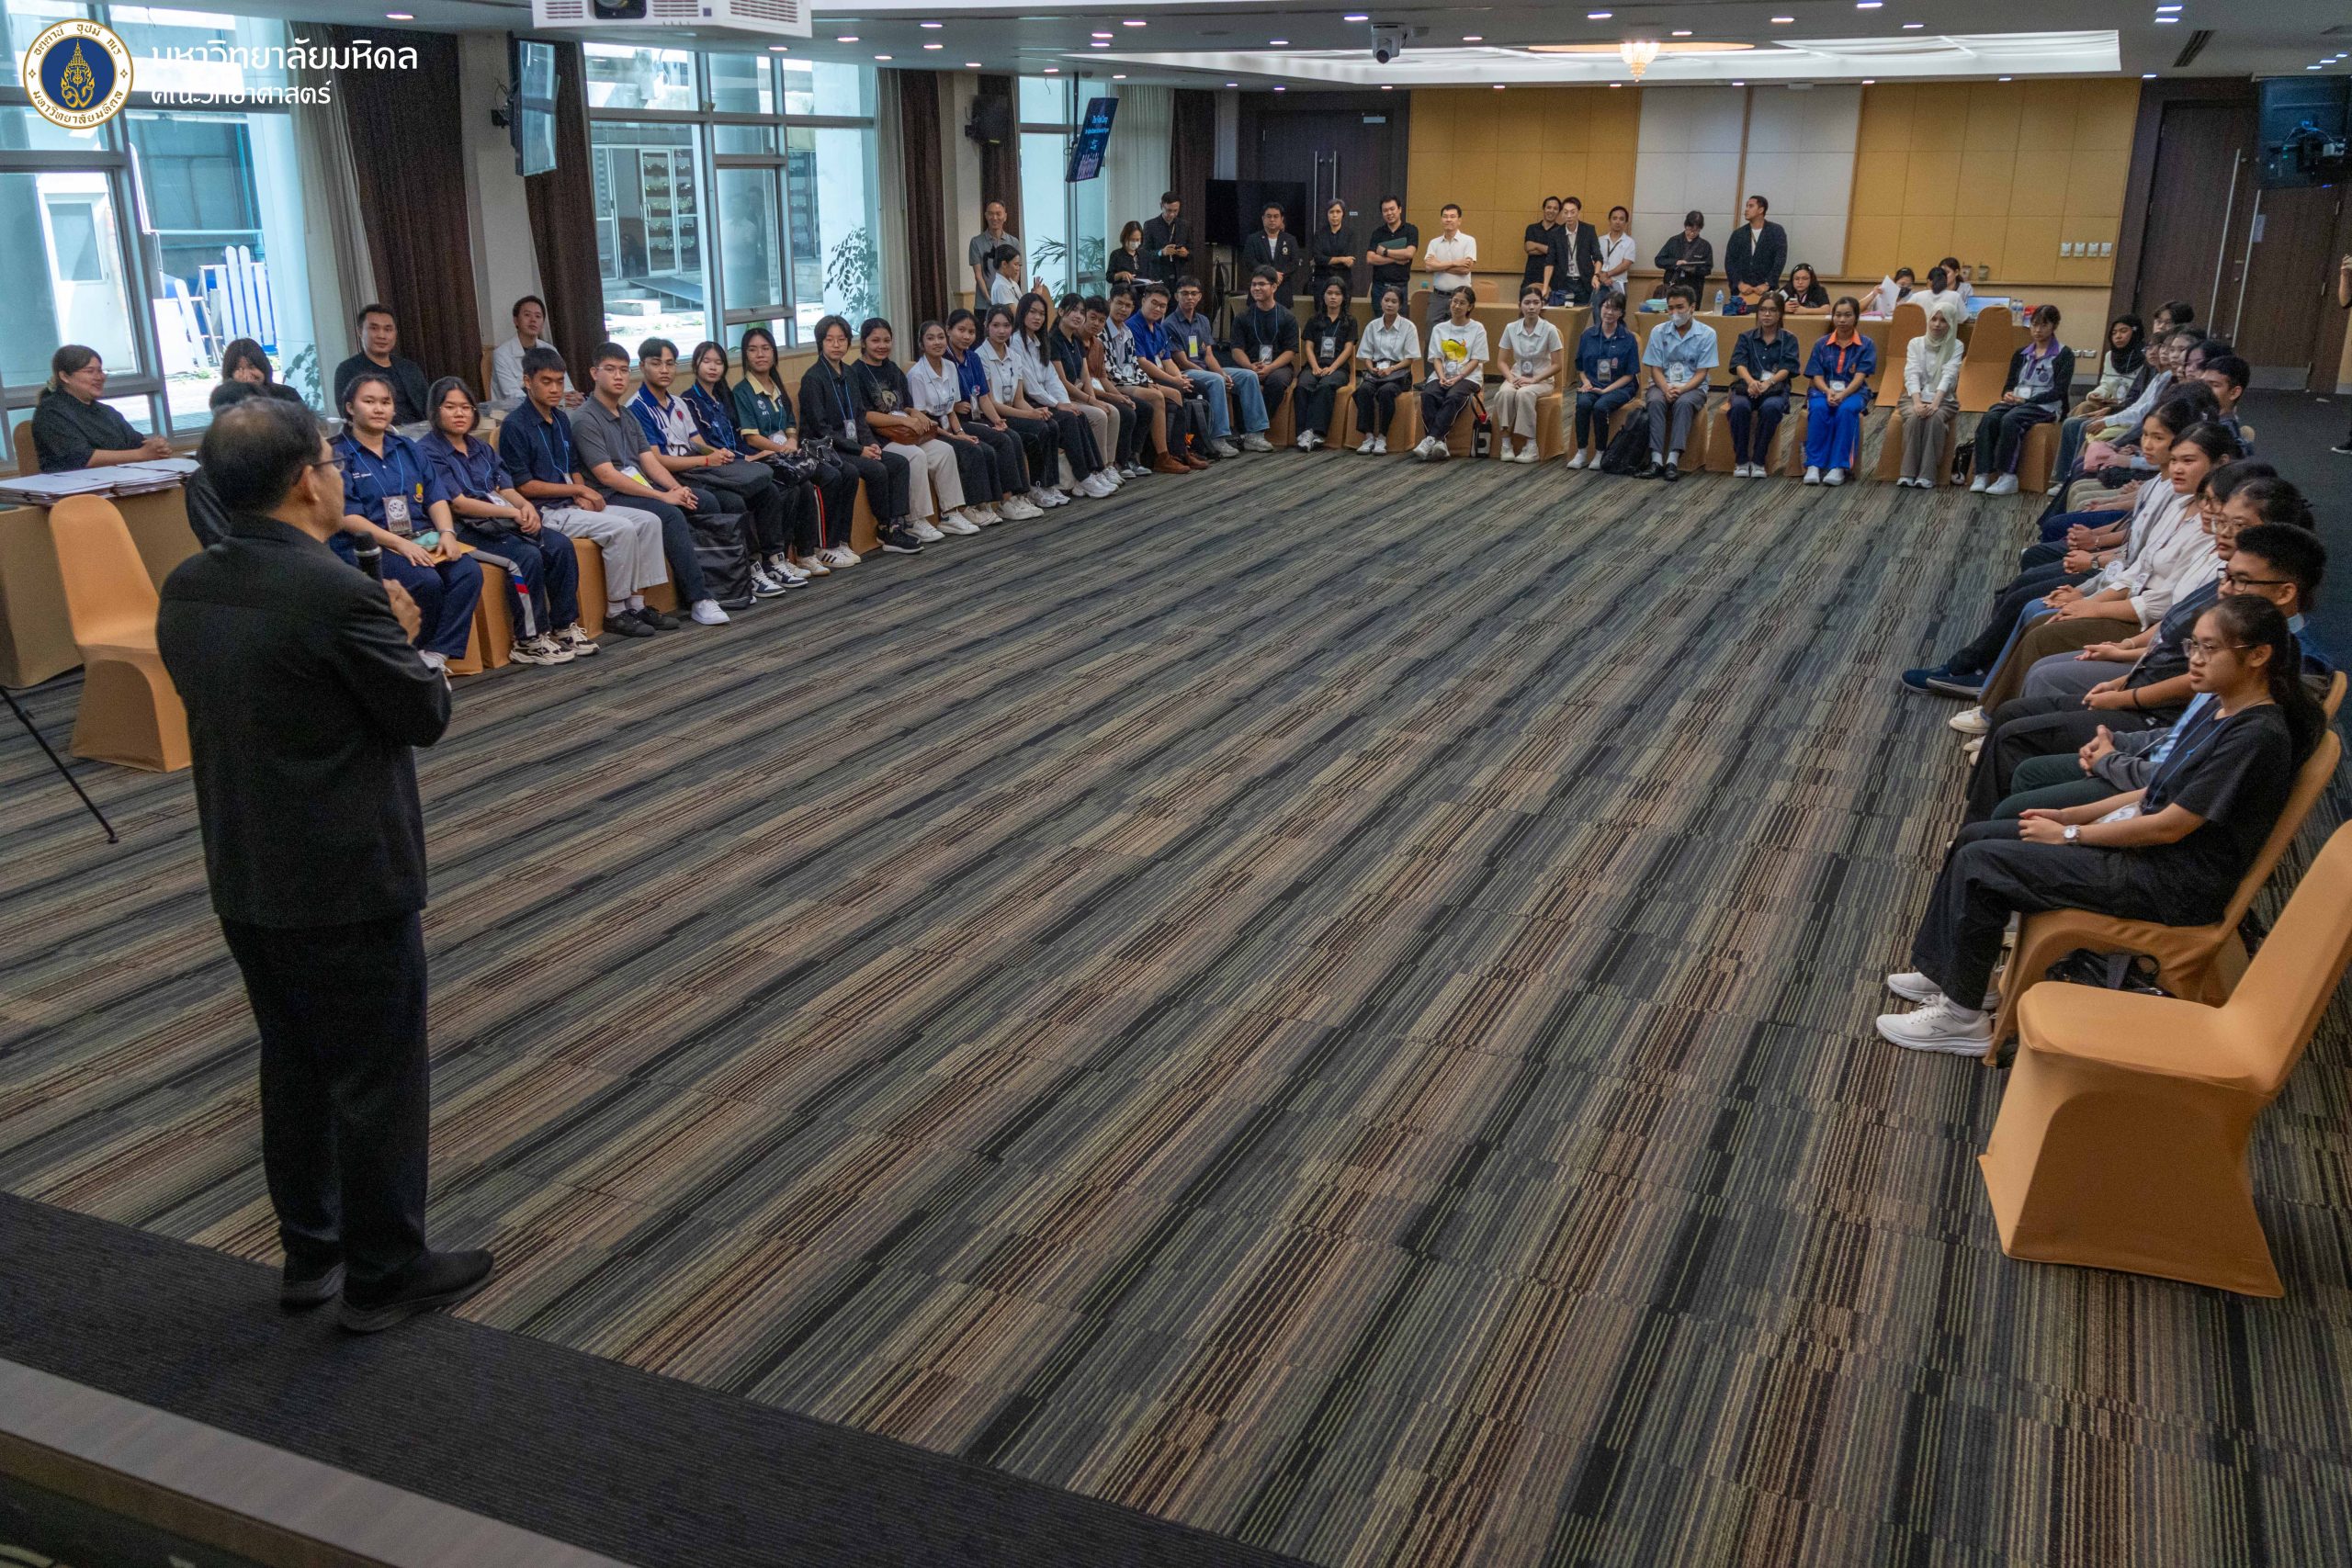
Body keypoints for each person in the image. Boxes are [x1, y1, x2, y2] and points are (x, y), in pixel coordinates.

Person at [156, 396, 493, 1333]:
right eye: (333, 462)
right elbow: (423, 714)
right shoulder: (338, 592)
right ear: (309, 480)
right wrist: (405, 635)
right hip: (348, 875)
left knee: (294, 1061)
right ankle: (385, 1273)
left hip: (245, 866)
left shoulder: (186, 584)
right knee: (376, 1076)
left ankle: (313, 1253)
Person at [1875, 594, 2319, 1055]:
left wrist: (2071, 836)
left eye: (2209, 648)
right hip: (2148, 854)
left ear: (2258, 656)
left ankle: (1961, 1020)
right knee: (1976, 836)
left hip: (2169, 880)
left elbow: (2169, 826)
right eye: (2194, 645)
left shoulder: (2256, 736)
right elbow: (2156, 791)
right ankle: (1957, 975)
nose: (2194, 659)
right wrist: (2068, 816)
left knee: (1982, 864)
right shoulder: (2221, 706)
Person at [496, 344, 675, 635]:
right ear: (527, 381)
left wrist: (581, 492)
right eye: (546, 381)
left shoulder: (560, 419)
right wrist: (580, 492)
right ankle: (616, 612)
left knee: (649, 521)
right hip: (545, 510)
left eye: (559, 381)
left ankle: (637, 604)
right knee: (621, 529)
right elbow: (523, 485)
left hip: (571, 502)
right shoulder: (515, 425)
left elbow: (574, 467)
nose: (555, 389)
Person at [572, 340, 747, 620]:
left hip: (639, 485)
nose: (618, 376)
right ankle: (699, 598)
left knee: (702, 500)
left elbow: (649, 461)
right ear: (594, 373)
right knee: (669, 514)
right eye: (610, 369)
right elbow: (607, 475)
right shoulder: (585, 419)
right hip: (609, 494)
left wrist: (677, 489)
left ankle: (723, 584)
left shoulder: (626, 414)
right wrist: (663, 496)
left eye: (623, 370)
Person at [422, 377, 589, 665]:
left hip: (501, 520)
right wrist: (513, 513)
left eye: (466, 407)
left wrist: (526, 508)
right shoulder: (428, 451)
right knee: (524, 558)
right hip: (464, 529)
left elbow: (504, 488)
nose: (460, 413)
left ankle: (563, 626)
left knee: (559, 545)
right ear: (435, 410)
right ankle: (529, 640)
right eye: (450, 407)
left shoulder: (480, 447)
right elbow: (458, 503)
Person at [331, 373, 483, 675]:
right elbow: (347, 517)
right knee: (426, 580)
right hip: (369, 545)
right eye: (369, 401)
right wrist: (400, 544)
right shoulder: (337, 454)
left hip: (419, 537)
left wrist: (447, 533)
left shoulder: (408, 448)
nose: (379, 409)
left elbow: (436, 497)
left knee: (468, 571)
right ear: (349, 407)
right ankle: (409, 658)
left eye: (385, 402)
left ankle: (435, 654)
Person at [628, 337, 793, 597]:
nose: (664, 370)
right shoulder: (637, 407)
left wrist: (720, 455)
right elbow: (657, 459)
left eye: (670, 364)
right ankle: (748, 569)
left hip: (698, 470)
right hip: (670, 477)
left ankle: (774, 561)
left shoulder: (677, 403)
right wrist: (706, 460)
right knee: (732, 501)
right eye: (657, 363)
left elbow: (697, 443)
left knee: (767, 490)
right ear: (642, 366)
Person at [685, 340, 819, 582]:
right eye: (707, 362)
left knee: (790, 486)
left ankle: (777, 560)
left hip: (740, 463)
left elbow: (738, 437)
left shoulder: (723, 397)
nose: (713, 367)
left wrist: (752, 456)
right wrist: (745, 457)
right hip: (716, 469)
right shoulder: (688, 401)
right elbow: (699, 445)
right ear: (695, 365)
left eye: (718, 363)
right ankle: (754, 566)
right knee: (760, 493)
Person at [727, 324, 854, 573]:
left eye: (765, 348)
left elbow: (790, 424)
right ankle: (799, 554)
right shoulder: (742, 391)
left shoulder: (776, 386)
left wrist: (792, 442)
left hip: (789, 454)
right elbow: (751, 438)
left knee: (835, 473)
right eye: (753, 350)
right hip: (765, 458)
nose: (760, 354)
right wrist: (780, 448)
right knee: (801, 487)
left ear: (774, 353)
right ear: (745, 356)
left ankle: (816, 551)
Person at [851, 316, 984, 537]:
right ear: (863, 343)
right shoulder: (856, 372)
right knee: (915, 456)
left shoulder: (892, 368)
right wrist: (905, 420)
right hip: (881, 438)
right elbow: (865, 416)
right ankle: (915, 520)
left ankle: (950, 514)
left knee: (944, 450)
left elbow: (906, 405)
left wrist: (915, 414)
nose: (882, 346)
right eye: (875, 341)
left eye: (886, 340)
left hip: (906, 433)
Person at [802, 314, 923, 554]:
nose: (836, 345)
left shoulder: (849, 373)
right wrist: (859, 450)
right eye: (830, 340)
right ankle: (885, 528)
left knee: (898, 463)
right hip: (828, 448)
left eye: (841, 339)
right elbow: (821, 428)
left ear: (849, 343)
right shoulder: (813, 378)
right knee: (876, 469)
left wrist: (870, 443)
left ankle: (896, 525)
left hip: (855, 444)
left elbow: (859, 416)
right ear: (820, 343)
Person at [1012, 292, 1123, 489]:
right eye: (1032, 312)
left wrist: (1066, 403)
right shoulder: (1017, 342)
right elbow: (1031, 386)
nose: (1037, 317)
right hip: (1031, 402)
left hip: (1049, 398)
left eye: (1041, 314)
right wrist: (1059, 404)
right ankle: (1084, 477)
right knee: (1071, 418)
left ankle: (1095, 470)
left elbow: (1052, 379)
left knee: (1078, 414)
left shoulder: (1039, 341)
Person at [975, 302, 1078, 509]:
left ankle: (1049, 485)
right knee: (1038, 430)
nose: (1001, 331)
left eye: (1006, 326)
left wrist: (1036, 412)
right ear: (986, 326)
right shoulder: (980, 355)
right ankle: (1035, 486)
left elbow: (1019, 399)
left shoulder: (1014, 356)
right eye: (996, 325)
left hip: (1012, 410)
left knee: (1050, 424)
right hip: (992, 415)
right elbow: (991, 402)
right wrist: (1029, 416)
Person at [946, 309, 1053, 506]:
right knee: (1004, 440)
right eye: (961, 330)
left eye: (971, 332)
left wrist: (997, 420)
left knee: (1010, 435)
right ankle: (1006, 500)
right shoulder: (946, 359)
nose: (966, 336)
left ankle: (1021, 495)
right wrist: (953, 406)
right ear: (949, 330)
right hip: (957, 421)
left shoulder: (972, 358)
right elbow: (942, 399)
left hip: (978, 416)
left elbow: (983, 397)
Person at [1969, 303, 2073, 496]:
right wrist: (2008, 394)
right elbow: (2009, 383)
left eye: (2043, 325)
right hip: (2017, 402)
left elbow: (2059, 391)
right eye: (2034, 324)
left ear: (2054, 326)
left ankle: (2008, 476)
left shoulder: (2064, 354)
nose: (2038, 330)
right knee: (1990, 417)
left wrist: (2027, 401)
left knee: (2011, 419)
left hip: (2046, 405)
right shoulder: (2021, 353)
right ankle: (1982, 473)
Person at [30, 345, 173, 470]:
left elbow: (137, 443)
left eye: (100, 371)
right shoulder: (50, 412)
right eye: (90, 371)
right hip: (77, 487)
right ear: (64, 376)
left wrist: (157, 447)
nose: (99, 377)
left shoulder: (107, 412)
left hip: (122, 481)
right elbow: (82, 458)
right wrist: (140, 455)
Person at [1046, 293, 1133, 481]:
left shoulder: (1076, 340)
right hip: (1062, 398)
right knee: (1099, 415)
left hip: (1078, 395)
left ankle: (1109, 465)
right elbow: (1062, 382)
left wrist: (1093, 399)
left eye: (1081, 312)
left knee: (1113, 412)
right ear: (1060, 312)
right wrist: (1092, 401)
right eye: (1074, 311)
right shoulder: (1053, 340)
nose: (1078, 316)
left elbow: (1085, 376)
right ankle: (1097, 469)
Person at [1167, 276, 1256, 456]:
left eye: (1194, 293)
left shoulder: (1203, 320)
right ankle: (1218, 438)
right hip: (1185, 372)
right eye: (1185, 293)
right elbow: (1182, 361)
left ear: (1200, 297)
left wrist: (1223, 374)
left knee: (1248, 376)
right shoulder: (1169, 323)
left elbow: (1209, 355)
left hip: (1206, 370)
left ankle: (1255, 433)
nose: (1189, 297)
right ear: (1176, 296)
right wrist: (1217, 377)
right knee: (1216, 380)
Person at [1128, 285, 1215, 469]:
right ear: (1143, 301)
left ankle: (1192, 447)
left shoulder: (1159, 329)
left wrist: (1179, 378)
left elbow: (1167, 360)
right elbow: (1142, 362)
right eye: (1154, 303)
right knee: (1175, 390)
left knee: (1197, 387)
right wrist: (1174, 381)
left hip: (1161, 375)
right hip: (1141, 377)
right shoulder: (1133, 326)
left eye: (1162, 306)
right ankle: (1173, 453)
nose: (1158, 308)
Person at [1097, 290, 1183, 472]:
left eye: (1128, 306)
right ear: (1110, 302)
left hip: (1128, 380)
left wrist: (1145, 381)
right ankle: (1161, 456)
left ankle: (1176, 451)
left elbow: (1134, 364)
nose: (1123, 309)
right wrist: (1140, 383)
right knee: (1155, 397)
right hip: (1113, 384)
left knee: (1173, 393)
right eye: (1119, 303)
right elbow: (1109, 370)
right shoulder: (1102, 331)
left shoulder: (1126, 331)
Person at [1639, 284, 1716, 480]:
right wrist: (1666, 388)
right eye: (1671, 308)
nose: (1675, 312)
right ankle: (1656, 459)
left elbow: (1702, 373)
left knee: (1683, 403)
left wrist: (1681, 389)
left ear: (1692, 307)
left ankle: (1673, 460)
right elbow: (1655, 368)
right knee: (1655, 401)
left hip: (1693, 386)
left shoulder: (1707, 333)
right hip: (1662, 383)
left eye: (1680, 307)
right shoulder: (1658, 331)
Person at [1800, 296, 1877, 486]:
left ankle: (1839, 467)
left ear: (1856, 317)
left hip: (1854, 392)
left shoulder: (1866, 344)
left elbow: (1860, 377)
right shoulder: (1821, 343)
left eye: (1848, 315)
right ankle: (1814, 464)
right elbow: (1816, 375)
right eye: (1838, 315)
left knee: (1846, 410)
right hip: (1823, 391)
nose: (1842, 320)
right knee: (1819, 409)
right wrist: (1828, 391)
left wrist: (1843, 394)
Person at [1724, 292, 1799, 478]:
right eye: (1763, 310)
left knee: (1771, 408)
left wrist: (1768, 383)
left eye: (1772, 310)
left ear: (1780, 314)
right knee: (1739, 406)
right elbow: (1738, 364)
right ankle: (1741, 460)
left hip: (1775, 388)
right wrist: (1751, 382)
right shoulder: (1746, 337)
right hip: (1747, 386)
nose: (1766, 314)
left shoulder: (1789, 339)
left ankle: (1758, 460)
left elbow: (1787, 368)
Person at [1894, 299, 1966, 488]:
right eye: (1934, 319)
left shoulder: (1956, 345)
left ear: (1951, 323)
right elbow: (1912, 373)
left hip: (1944, 399)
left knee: (1935, 419)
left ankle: (1927, 475)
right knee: (1914, 418)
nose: (1937, 324)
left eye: (1943, 320)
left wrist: (1935, 403)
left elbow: (1949, 375)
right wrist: (1918, 403)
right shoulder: (1915, 343)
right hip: (1913, 397)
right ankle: (1907, 473)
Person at [1412, 288, 1487, 462]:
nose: (1457, 306)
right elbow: (1437, 358)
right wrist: (1442, 376)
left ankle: (1430, 439)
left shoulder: (1477, 328)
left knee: (1453, 396)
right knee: (1428, 394)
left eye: (1462, 303)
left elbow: (1476, 360)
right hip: (1443, 374)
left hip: (1468, 376)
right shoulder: (1440, 328)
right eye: (1454, 301)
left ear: (1470, 307)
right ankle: (1440, 442)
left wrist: (1458, 377)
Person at [1491, 284, 1563, 464]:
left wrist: (1534, 380)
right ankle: (1506, 443)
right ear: (1520, 305)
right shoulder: (1511, 328)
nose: (1531, 307)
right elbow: (1501, 362)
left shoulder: (1550, 329)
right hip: (1516, 376)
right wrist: (1511, 379)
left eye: (1536, 303)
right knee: (1504, 393)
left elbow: (1557, 365)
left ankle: (1531, 445)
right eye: (1527, 303)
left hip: (1542, 380)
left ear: (1542, 305)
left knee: (1524, 393)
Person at [1568, 289, 1638, 470]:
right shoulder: (1588, 335)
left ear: (1621, 313)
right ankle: (1581, 451)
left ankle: (1600, 452)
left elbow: (1629, 375)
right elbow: (1580, 367)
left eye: (1615, 309)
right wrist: (1585, 382)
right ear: (1600, 308)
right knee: (1583, 404)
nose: (1609, 312)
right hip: (1592, 384)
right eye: (1606, 307)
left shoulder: (1628, 338)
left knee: (1601, 406)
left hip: (1620, 387)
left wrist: (1606, 390)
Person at [1232, 265, 1301, 440]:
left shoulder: (1287, 317)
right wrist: (1250, 367)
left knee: (1276, 382)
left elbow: (1291, 351)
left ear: (1274, 287)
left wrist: (1270, 368)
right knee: (1242, 378)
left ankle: (1258, 430)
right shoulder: (1242, 317)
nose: (1256, 288)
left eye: (1262, 284)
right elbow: (1236, 349)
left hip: (1279, 366)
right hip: (1250, 364)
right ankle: (1242, 431)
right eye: (1253, 284)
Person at [332, 304, 431, 423]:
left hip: (420, 431)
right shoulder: (347, 370)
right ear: (360, 332)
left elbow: (430, 407)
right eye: (374, 328)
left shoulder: (410, 368)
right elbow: (348, 416)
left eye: (388, 329)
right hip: (377, 432)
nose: (382, 336)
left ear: (395, 333)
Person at [1351, 286, 1419, 456]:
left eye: (1394, 301)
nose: (1389, 304)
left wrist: (1391, 369)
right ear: (1380, 302)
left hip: (1398, 373)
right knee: (1364, 390)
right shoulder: (1372, 326)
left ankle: (1382, 437)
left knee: (1386, 392)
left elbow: (1410, 359)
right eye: (1386, 300)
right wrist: (1371, 368)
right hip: (1375, 372)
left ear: (1400, 305)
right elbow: (1366, 355)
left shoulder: (1408, 327)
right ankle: (1368, 437)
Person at [1295, 278, 1358, 451]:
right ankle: (1303, 432)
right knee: (1303, 385)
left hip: (1338, 368)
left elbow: (1348, 349)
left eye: (1337, 294)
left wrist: (1333, 367)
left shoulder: (1350, 321)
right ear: (1323, 296)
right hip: (1314, 365)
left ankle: (1316, 432)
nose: (1333, 297)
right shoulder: (1314, 320)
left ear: (1344, 297)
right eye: (1329, 293)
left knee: (1325, 385)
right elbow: (1308, 346)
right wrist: (1315, 366)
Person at [490, 296, 580, 404]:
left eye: (538, 316)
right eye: (527, 315)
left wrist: (573, 397)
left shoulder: (550, 349)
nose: (533, 320)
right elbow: (514, 396)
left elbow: (566, 387)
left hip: (552, 407)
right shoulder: (502, 354)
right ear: (516, 320)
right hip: (515, 410)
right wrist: (556, 399)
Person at [1723, 195, 1787, 314]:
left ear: (1761, 210)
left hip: (1766, 289)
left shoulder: (1776, 231)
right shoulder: (1738, 234)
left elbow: (1780, 259)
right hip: (1742, 290)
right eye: (1746, 206)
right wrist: (1739, 283)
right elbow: (1729, 262)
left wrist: (1768, 283)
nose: (1746, 209)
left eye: (1751, 206)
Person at [2074, 313, 2145, 419]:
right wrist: (2097, 394)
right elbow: (2106, 385)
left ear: (2135, 332)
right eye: (2114, 333)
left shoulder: (2146, 357)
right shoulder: (2110, 355)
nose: (2118, 336)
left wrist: (2122, 403)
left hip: (2130, 407)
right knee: (2085, 407)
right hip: (2109, 404)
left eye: (2123, 331)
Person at [1421, 204, 1477, 336]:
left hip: (1461, 297)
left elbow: (1466, 269)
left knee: (1457, 335)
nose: (1448, 219)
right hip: (1438, 296)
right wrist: (1454, 263)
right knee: (1432, 332)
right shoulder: (1434, 243)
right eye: (1445, 216)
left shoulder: (1469, 241)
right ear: (1441, 220)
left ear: (1459, 220)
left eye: (1452, 216)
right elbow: (1428, 267)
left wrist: (1438, 266)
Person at [214, 338, 307, 411]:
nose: (247, 375)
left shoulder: (286, 394)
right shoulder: (225, 401)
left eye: (252, 367)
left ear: (263, 366)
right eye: (239, 369)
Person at [1241, 202, 1305, 304]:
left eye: (1276, 216)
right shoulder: (1253, 239)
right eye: (1269, 216)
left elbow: (1294, 263)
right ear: (1263, 218)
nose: (1272, 219)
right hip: (1259, 290)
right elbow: (1250, 261)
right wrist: (1272, 274)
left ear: (1282, 219)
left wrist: (1279, 276)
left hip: (1282, 289)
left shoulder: (1290, 240)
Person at [1364, 196, 1419, 310]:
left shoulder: (1411, 230)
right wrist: (1396, 258)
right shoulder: (1377, 233)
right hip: (1379, 287)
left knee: (1400, 320)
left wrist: (1385, 252)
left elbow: (1409, 253)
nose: (1389, 213)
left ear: (1400, 209)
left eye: (1392, 209)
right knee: (1379, 320)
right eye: (1385, 210)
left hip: (1400, 286)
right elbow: (1370, 259)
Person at [1549, 197, 1602, 308]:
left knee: (1581, 313)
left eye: (1572, 212)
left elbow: (1598, 257)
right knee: (1564, 314)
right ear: (1562, 214)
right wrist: (1545, 287)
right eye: (1566, 212)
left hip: (1583, 282)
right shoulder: (1556, 233)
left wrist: (1596, 275)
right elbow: (1550, 261)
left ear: (1578, 212)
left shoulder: (1588, 230)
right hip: (1563, 283)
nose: (1569, 216)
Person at [968, 198, 1020, 304]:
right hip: (984, 303)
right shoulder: (976, 242)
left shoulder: (1014, 242)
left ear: (1005, 217)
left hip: (1008, 302)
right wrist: (990, 299)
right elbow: (978, 275)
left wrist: (1008, 295)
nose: (994, 218)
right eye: (991, 214)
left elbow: (1016, 272)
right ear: (986, 216)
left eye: (998, 214)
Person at [1654, 210, 1712, 301]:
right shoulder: (1673, 241)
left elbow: (1708, 269)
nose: (1692, 233)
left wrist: (1693, 269)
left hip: (1693, 288)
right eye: (1690, 230)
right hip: (1672, 285)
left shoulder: (1705, 245)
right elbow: (1659, 260)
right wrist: (1676, 262)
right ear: (1685, 226)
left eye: (1696, 231)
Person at [1521, 196, 1567, 301]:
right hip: (1530, 277)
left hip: (1553, 280)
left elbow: (1558, 253)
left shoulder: (1562, 231)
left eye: (1555, 208)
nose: (1551, 211)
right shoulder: (1532, 228)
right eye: (1549, 207)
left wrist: (1536, 245)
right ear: (1544, 209)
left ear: (1559, 212)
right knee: (1526, 305)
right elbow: (1528, 248)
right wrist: (1550, 250)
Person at [1310, 198, 1357, 299]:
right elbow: (1318, 258)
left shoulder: (1350, 234)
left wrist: (1327, 261)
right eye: (1331, 212)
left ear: (1343, 214)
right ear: (1327, 214)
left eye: (1338, 212)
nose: (1334, 215)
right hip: (1322, 281)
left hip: (1343, 280)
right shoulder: (1319, 234)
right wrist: (1342, 259)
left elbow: (1350, 261)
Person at [1141, 192, 1193, 278]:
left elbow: (1193, 250)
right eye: (1169, 210)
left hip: (1179, 275)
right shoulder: (1150, 225)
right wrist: (1161, 252)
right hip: (1159, 275)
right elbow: (1144, 253)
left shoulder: (1185, 226)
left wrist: (1186, 253)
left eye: (1175, 211)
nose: (1172, 214)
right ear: (1161, 206)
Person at [1596, 205, 1636, 298]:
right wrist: (1602, 277)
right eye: (1614, 218)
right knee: (1597, 307)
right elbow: (1593, 261)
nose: (1618, 222)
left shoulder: (1630, 242)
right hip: (1599, 281)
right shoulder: (1600, 240)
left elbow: (1626, 264)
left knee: (1617, 307)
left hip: (1618, 283)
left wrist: (1607, 274)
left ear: (1626, 222)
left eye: (1621, 219)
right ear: (1609, 220)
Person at [1108, 220, 1149, 293]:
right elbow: (1109, 277)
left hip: (1142, 294)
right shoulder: (1116, 254)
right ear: (1125, 238)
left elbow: (1149, 275)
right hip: (1123, 294)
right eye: (1132, 239)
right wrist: (1121, 274)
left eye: (1138, 240)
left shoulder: (1144, 254)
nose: (1135, 242)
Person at [984, 243, 1026, 310]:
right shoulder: (1001, 286)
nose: (1018, 268)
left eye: (1019, 265)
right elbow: (1015, 314)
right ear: (1004, 264)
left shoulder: (1013, 283)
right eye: (1016, 264)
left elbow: (1022, 307)